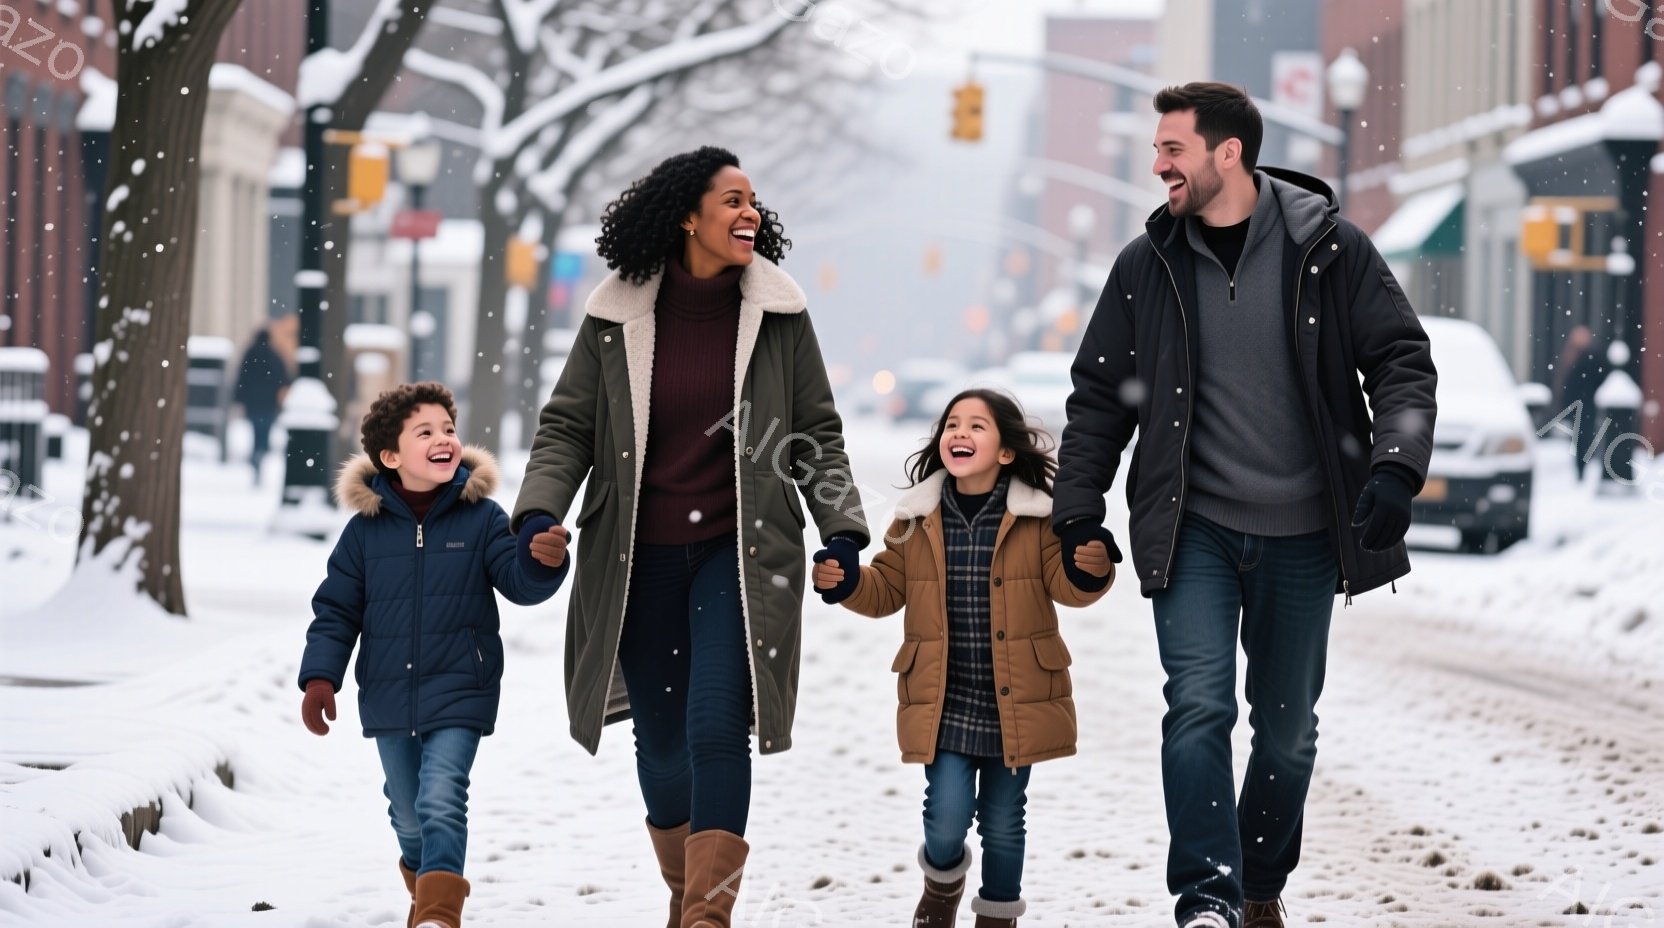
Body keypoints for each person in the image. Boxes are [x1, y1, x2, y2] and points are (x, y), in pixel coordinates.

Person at [1051, 83, 1437, 928]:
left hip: (1304, 534)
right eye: (1156, 150)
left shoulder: (1332, 251)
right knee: (1198, 704)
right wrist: (1078, 510)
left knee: (1289, 731)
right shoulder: (1146, 266)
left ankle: (1261, 884)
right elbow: (1098, 399)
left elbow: (1403, 360)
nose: (1159, 167)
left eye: (1173, 150)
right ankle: (1208, 896)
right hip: (1193, 528)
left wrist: (1396, 467)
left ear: (1229, 153)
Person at [512, 146, 867, 928]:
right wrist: (542, 512)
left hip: (738, 555)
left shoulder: (777, 314)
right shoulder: (617, 315)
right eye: (731, 201)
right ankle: (686, 894)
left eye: (754, 202)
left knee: (715, 724)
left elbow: (814, 435)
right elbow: (568, 425)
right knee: (662, 744)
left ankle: (708, 914)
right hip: (637, 556)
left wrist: (841, 530)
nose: (750, 214)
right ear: (686, 216)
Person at [814, 389, 1112, 928]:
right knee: (946, 814)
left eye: (977, 426)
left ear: (1005, 451)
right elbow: (886, 590)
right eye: (953, 424)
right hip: (944, 697)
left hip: (1015, 697)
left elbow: (1066, 586)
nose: (959, 434)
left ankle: (998, 917)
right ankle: (943, 882)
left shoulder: (1038, 519)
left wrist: (1089, 568)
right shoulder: (914, 518)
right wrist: (849, 582)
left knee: (1003, 821)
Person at [297, 382, 568, 928]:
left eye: (448, 428)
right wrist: (321, 678)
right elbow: (336, 611)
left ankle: (438, 917)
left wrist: (543, 563)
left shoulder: (483, 518)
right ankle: (425, 888)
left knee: (442, 796)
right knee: (408, 813)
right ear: (391, 457)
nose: (444, 439)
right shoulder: (363, 533)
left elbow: (518, 581)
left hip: (460, 685)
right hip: (389, 692)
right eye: (426, 432)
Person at [233, 317, 293, 485]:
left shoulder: (250, 353)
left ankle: (257, 454)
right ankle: (261, 452)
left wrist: (239, 398)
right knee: (265, 431)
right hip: (269, 404)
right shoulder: (274, 355)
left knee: (256, 431)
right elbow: (284, 378)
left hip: (253, 403)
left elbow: (242, 377)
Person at [1555, 325, 1605, 481]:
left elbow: (1570, 384)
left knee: (1583, 440)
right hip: (1581, 406)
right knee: (1581, 440)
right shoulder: (1576, 358)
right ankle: (1582, 470)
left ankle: (1582, 470)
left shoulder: (1588, 359)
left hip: (1585, 406)